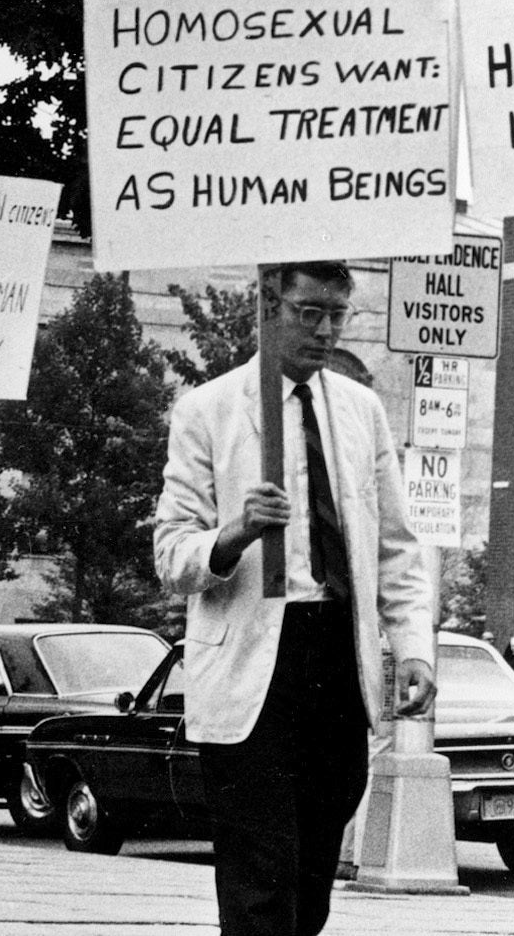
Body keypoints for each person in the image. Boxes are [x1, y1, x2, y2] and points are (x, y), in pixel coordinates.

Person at [154, 262, 434, 936]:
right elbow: (171, 554)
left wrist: (414, 647)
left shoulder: (360, 411)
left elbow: (396, 545)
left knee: (312, 872)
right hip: (254, 666)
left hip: (338, 657)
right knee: (260, 874)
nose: (326, 329)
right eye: (310, 312)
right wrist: (238, 532)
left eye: (339, 314)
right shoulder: (209, 410)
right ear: (269, 304)